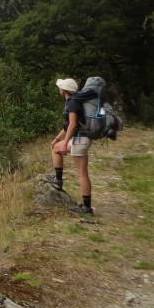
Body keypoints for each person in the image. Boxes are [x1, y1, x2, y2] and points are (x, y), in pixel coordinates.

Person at [47, 78, 94, 215]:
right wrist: (56, 139)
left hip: (79, 140)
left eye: (60, 87)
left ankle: (86, 208)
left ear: (65, 90)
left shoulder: (72, 103)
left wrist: (65, 143)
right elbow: (67, 126)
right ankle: (58, 180)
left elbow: (73, 125)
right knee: (55, 148)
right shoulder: (74, 102)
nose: (59, 89)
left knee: (82, 175)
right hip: (82, 139)